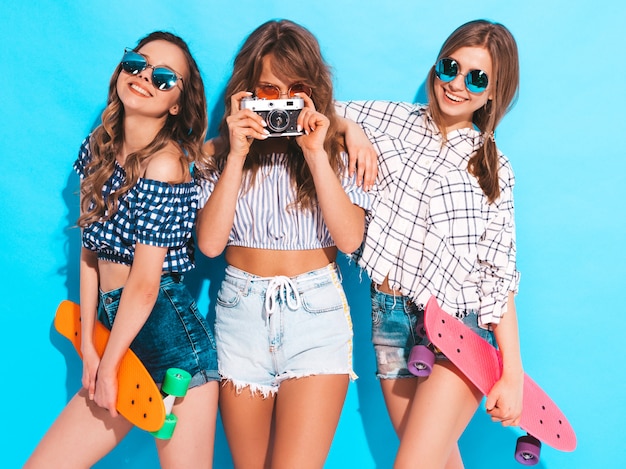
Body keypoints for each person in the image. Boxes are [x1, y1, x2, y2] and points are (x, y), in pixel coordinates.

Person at [25, 31, 220, 469]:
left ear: (176, 104)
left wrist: (108, 362)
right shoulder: (98, 146)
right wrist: (92, 352)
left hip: (173, 349)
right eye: (137, 63)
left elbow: (146, 284)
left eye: (165, 77)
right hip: (114, 335)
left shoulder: (165, 164)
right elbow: (89, 252)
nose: (145, 77)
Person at [336, 19, 523, 468]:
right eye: (451, 67)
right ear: (437, 66)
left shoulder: (494, 167)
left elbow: (499, 277)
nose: (458, 84)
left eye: (477, 78)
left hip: (460, 330)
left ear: (494, 92)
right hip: (390, 319)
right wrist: (350, 130)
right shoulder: (387, 120)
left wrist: (512, 373)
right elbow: (317, 112)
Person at [194, 19, 371, 469]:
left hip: (315, 316)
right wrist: (235, 153)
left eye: (295, 91)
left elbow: (351, 239)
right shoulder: (217, 154)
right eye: (269, 92)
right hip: (240, 315)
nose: (282, 105)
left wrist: (316, 150)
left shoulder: (335, 151)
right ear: (246, 92)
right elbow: (211, 245)